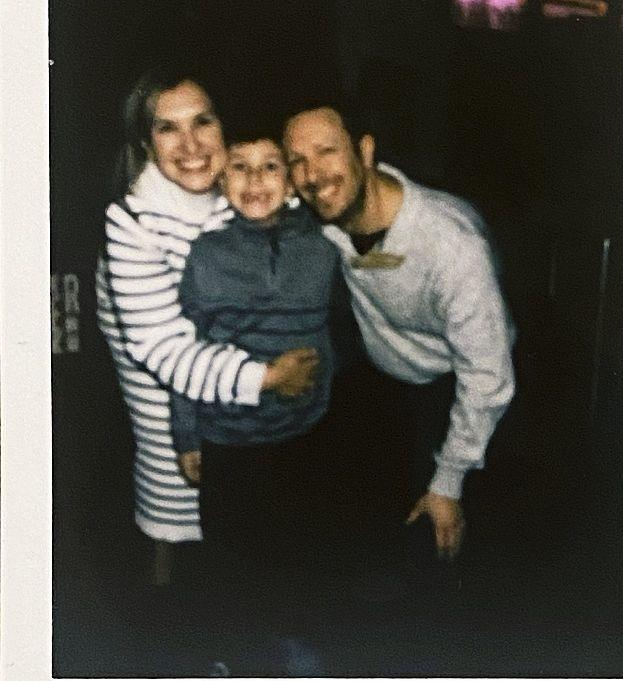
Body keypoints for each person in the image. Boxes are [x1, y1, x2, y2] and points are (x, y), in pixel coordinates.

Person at [95, 67, 319, 582]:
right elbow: (160, 348)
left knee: (247, 530)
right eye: (168, 128)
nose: (191, 144)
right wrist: (265, 378)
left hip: (248, 387)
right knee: (175, 516)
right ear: (146, 143)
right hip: (165, 384)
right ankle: (166, 619)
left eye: (203, 122)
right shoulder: (133, 221)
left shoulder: (241, 185)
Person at [282, 103, 516, 585]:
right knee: (355, 547)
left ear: (365, 151)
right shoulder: (325, 219)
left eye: (327, 151)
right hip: (383, 379)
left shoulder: (451, 245)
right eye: (297, 161)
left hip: (463, 385)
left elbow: (487, 376)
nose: (313, 174)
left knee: (444, 550)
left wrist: (449, 482)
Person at [169, 119, 354, 675]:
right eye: (240, 168)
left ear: (291, 181)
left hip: (303, 434)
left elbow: (337, 327)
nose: (255, 181)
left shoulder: (323, 247)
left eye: (270, 167)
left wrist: (327, 391)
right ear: (222, 179)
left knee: (298, 555)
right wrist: (187, 434)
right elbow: (184, 349)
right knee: (233, 567)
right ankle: (237, 658)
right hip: (229, 439)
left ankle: (295, 650)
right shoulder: (206, 255)